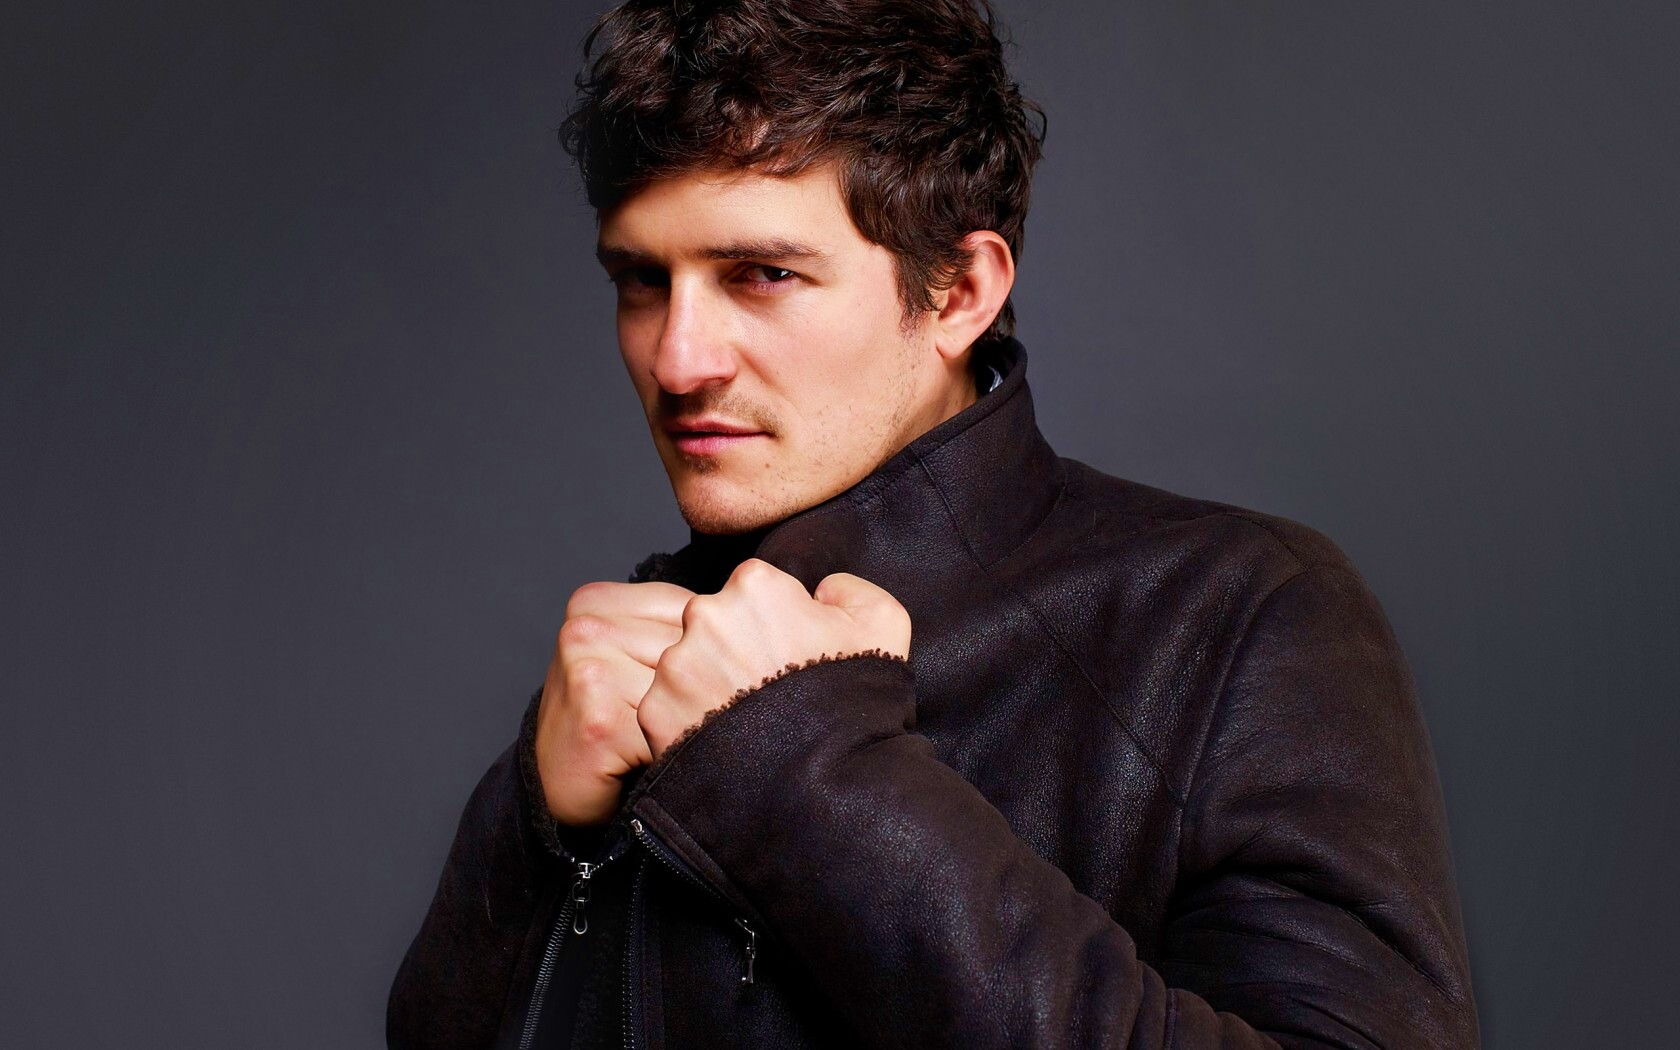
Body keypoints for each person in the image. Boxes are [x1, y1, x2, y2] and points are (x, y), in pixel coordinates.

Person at [387, 1, 1480, 1047]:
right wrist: (525, 831)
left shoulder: (1237, 615)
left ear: (960, 290)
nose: (678, 360)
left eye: (762, 275)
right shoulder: (627, 661)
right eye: (640, 280)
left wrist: (803, 768)